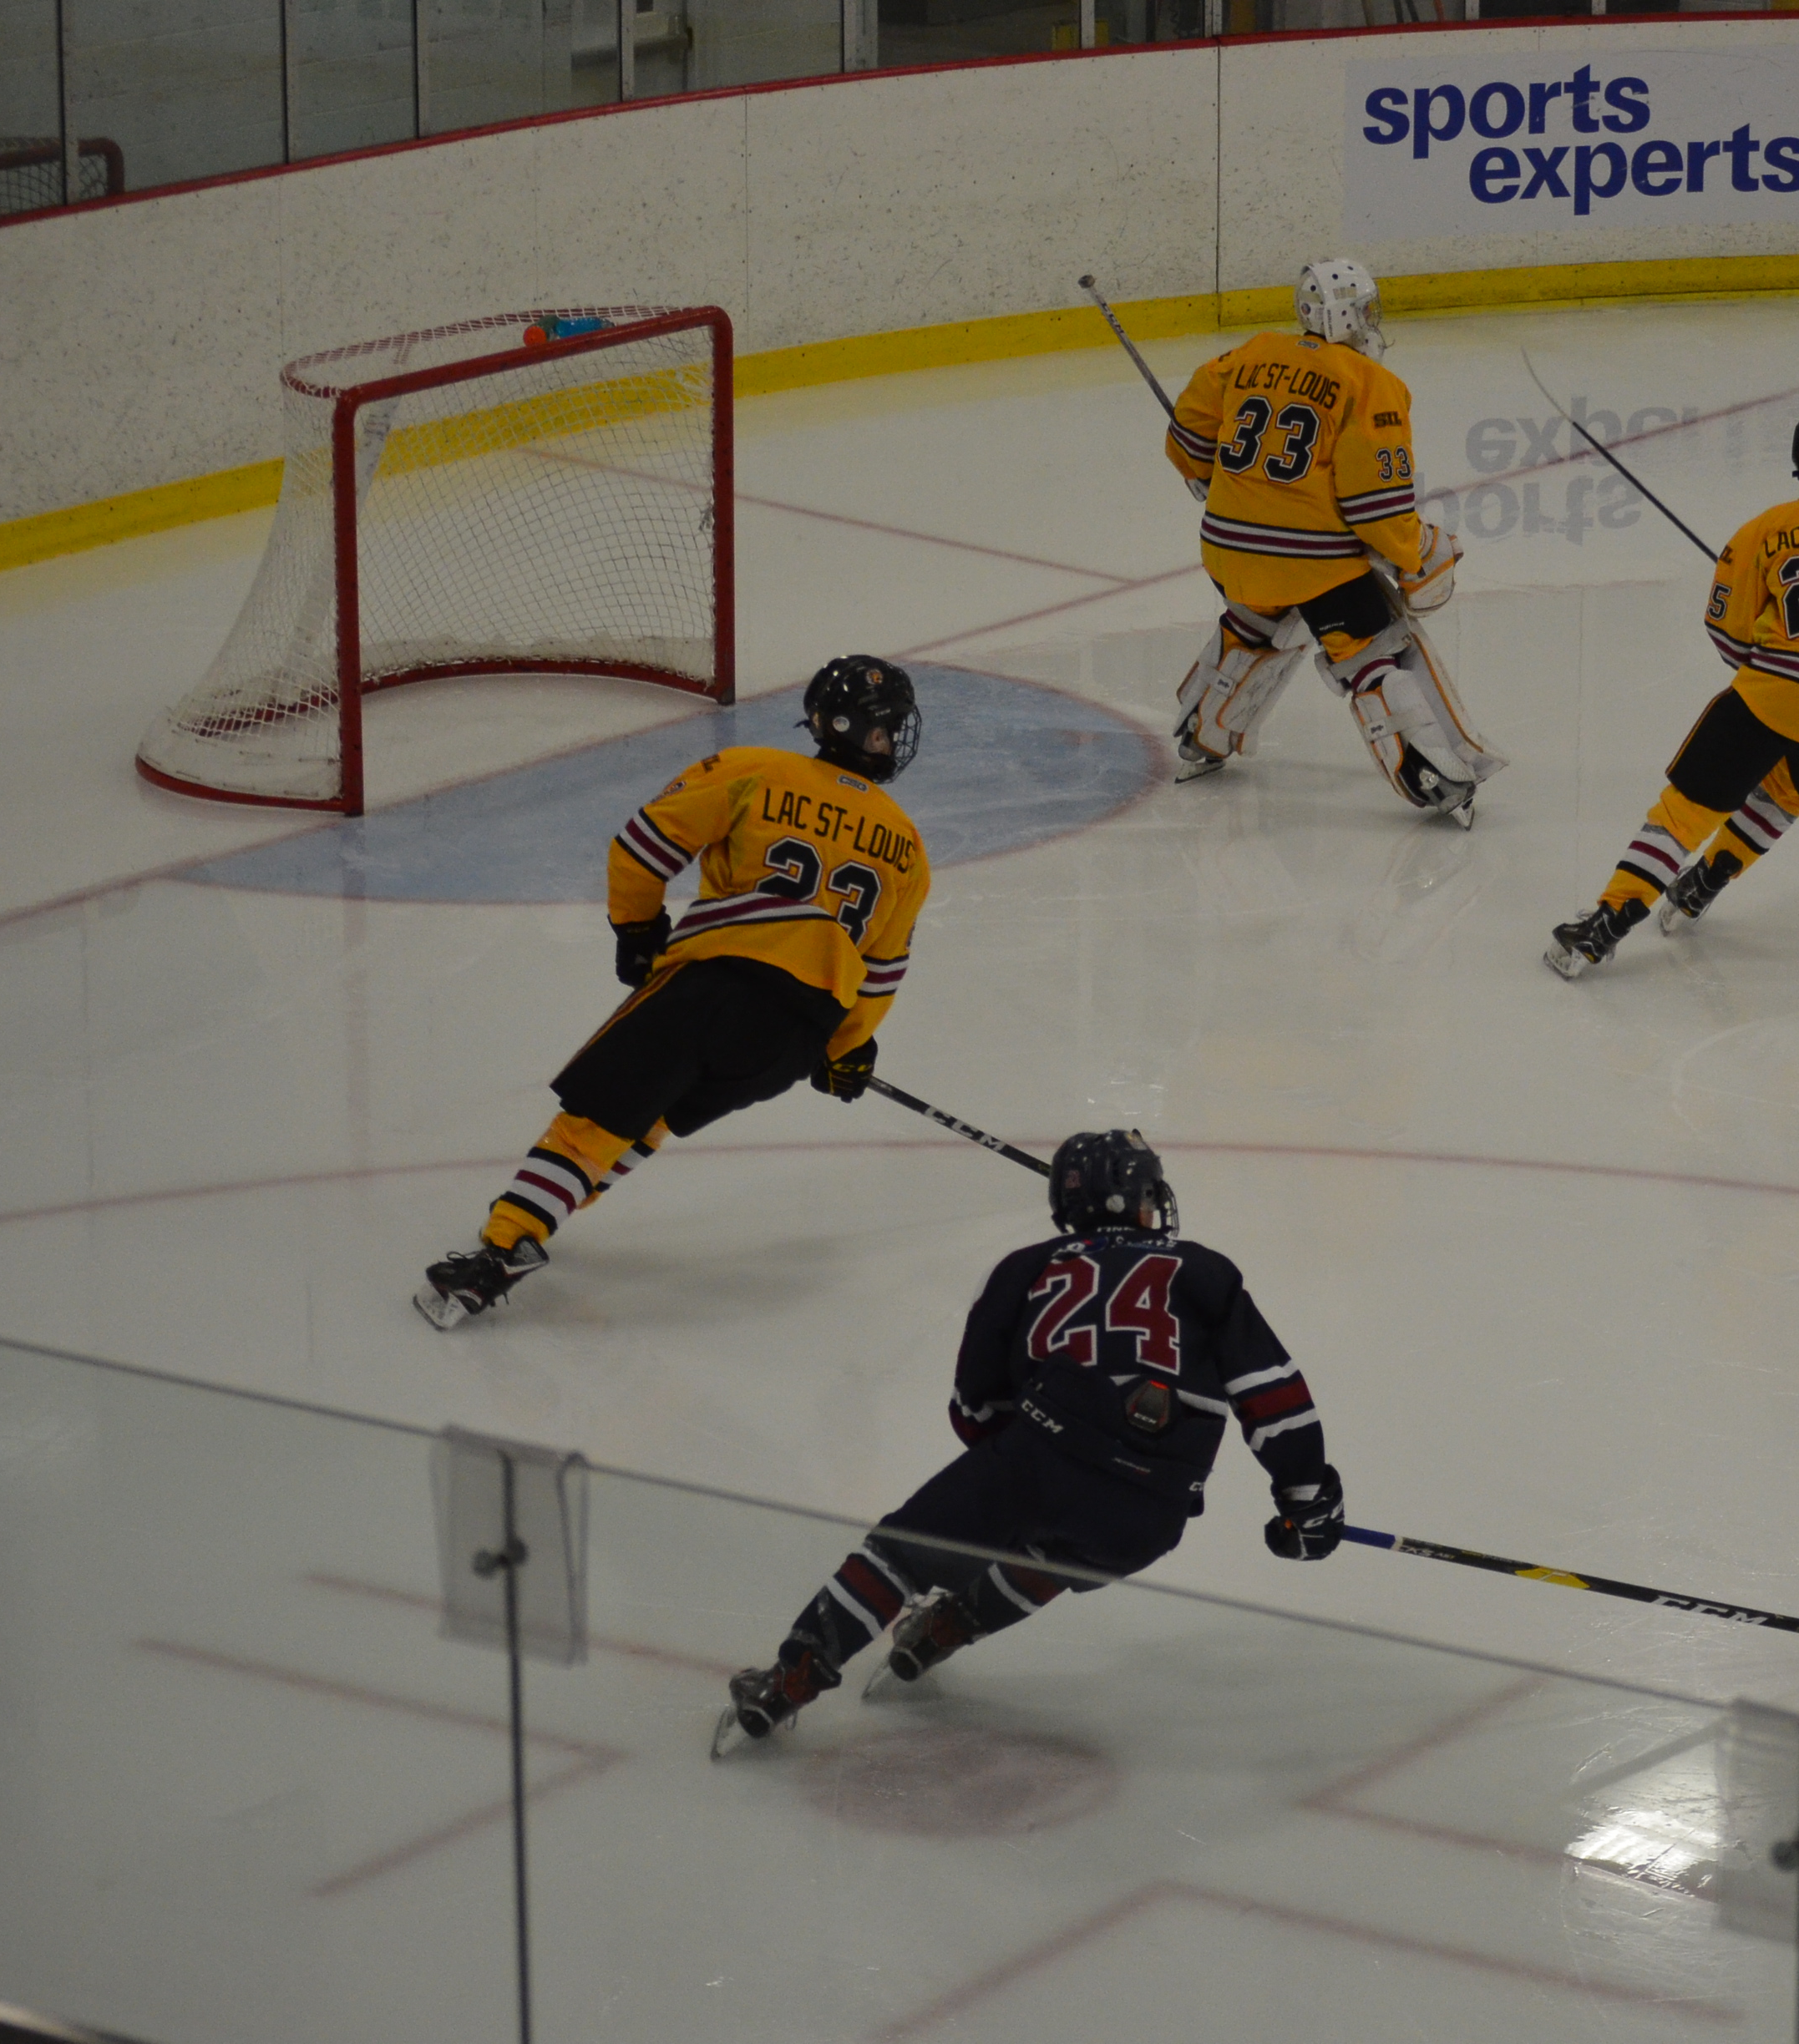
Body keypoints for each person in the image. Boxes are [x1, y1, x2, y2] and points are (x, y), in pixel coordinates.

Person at [714, 1131, 1342, 1750]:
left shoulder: (1027, 1267)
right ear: (1139, 1198)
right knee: (1055, 1557)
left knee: (902, 1555)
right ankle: (947, 1629)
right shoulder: (1204, 1270)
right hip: (1154, 1508)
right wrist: (1305, 1496)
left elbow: (974, 1405)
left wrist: (1013, 1463)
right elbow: (1273, 1392)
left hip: (1041, 1454)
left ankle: (788, 1682)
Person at [413, 657, 931, 1328]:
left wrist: (637, 928)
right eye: (889, 729)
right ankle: (543, 1214)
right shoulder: (908, 848)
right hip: (787, 1043)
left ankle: (500, 1251)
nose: (894, 741)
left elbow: (641, 846)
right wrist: (844, 1051)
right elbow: (880, 973)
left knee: (595, 1121)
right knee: (647, 1116)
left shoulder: (754, 770)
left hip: (712, 990)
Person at [1546, 409, 1799, 979]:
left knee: (1687, 809)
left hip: (1777, 694)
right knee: (1786, 791)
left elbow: (1726, 631)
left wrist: (1774, 678)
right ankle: (1706, 882)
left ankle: (1604, 927)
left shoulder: (1763, 529)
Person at [1163, 256, 1503, 827]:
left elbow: (1187, 434)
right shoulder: (1371, 383)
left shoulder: (1247, 354)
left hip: (1226, 549)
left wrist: (1203, 472)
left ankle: (1204, 733)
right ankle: (1435, 774)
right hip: (1312, 564)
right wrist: (1419, 555)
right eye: (1365, 309)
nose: (1372, 319)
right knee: (1374, 650)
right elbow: (1376, 506)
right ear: (1345, 315)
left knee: (1255, 623)